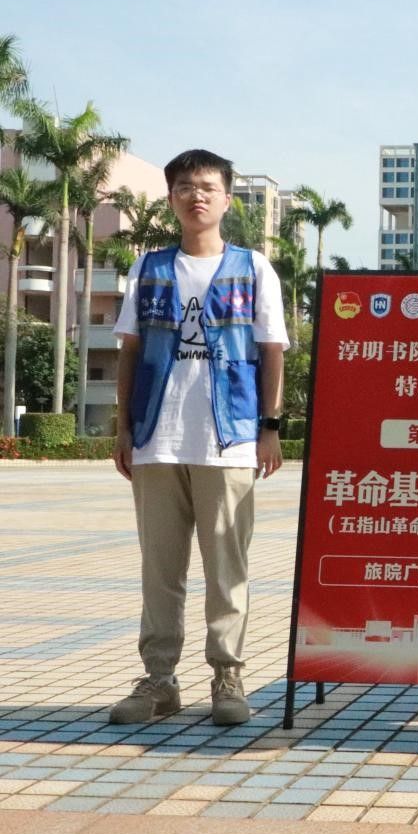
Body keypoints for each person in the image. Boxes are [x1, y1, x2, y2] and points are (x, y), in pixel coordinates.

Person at [109, 149, 289, 726]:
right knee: (159, 571)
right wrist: (124, 428)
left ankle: (227, 676)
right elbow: (130, 351)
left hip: (229, 440)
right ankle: (159, 681)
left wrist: (270, 428)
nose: (197, 195)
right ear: (171, 199)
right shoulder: (149, 267)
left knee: (226, 569)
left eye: (208, 186)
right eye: (185, 186)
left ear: (227, 199)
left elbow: (272, 352)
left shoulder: (253, 268)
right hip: (156, 439)